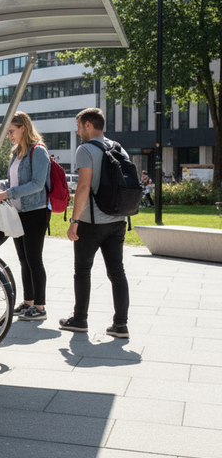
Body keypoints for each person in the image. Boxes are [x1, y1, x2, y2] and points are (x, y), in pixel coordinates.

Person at [59, 108, 130, 339]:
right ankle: (120, 325)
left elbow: (83, 187)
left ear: (88, 125)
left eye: (79, 126)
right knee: (117, 272)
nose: (77, 130)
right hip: (118, 219)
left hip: (92, 221)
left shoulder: (86, 149)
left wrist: (74, 220)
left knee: (82, 271)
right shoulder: (119, 147)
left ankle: (80, 320)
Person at [0, 112, 51, 321]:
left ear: (23, 127)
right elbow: (14, 182)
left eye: (12, 131)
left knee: (34, 258)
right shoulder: (17, 153)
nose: (10, 136)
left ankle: (40, 307)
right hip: (18, 212)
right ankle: (28, 302)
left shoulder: (38, 151)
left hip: (35, 211)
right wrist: (1, 185)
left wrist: (8, 193)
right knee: (24, 259)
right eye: (8, 132)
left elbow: (37, 184)